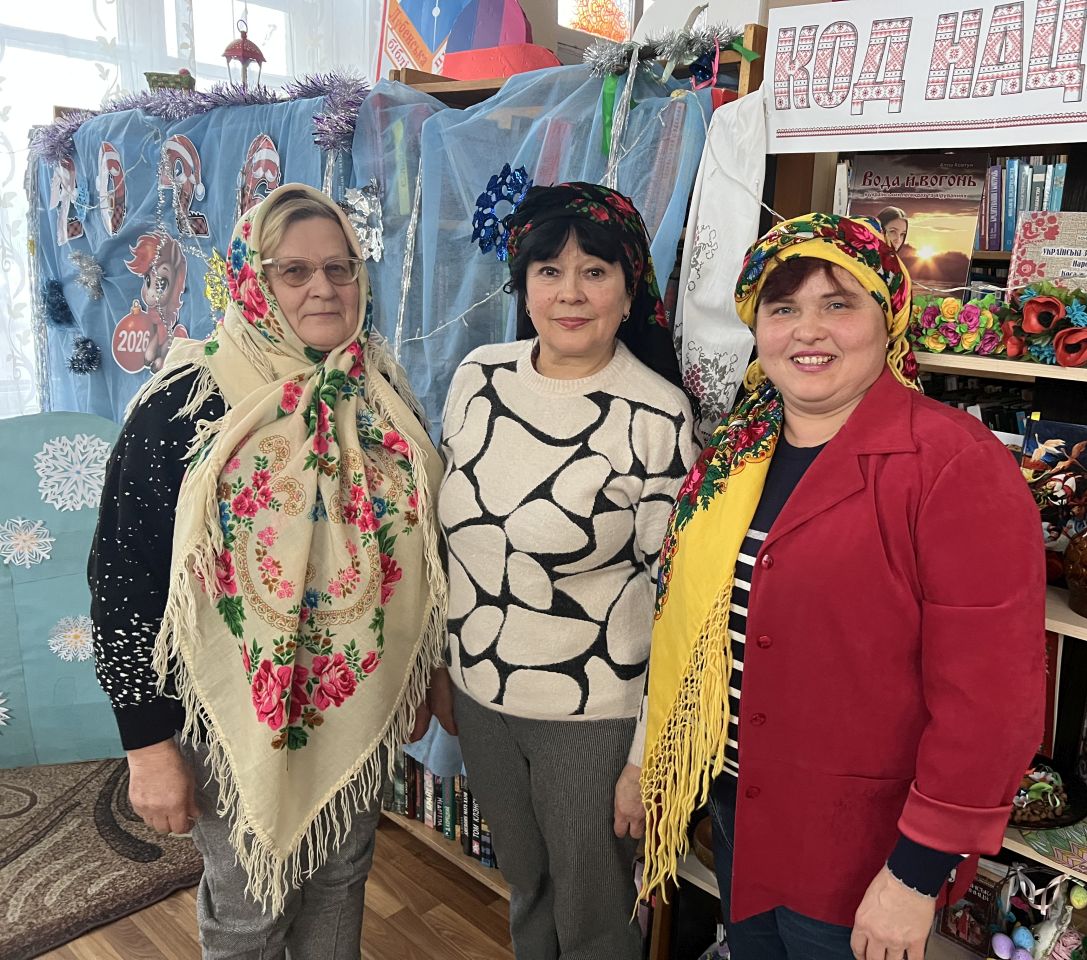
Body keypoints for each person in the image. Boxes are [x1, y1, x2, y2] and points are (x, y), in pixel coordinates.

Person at [639, 213, 1045, 960]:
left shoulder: (953, 463)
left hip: (862, 853)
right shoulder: (736, 457)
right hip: (742, 817)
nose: (807, 331)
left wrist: (916, 873)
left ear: (888, 317)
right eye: (782, 307)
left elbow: (993, 704)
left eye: (838, 303)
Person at [89, 183, 448, 960]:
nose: (323, 287)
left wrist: (422, 674)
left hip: (353, 695)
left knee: (343, 876)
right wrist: (146, 744)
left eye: (339, 267)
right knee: (249, 909)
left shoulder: (380, 394)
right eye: (293, 270)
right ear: (252, 280)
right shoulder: (186, 403)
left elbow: (423, 548)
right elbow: (123, 580)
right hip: (232, 714)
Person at [429, 182, 696, 960]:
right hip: (481, 698)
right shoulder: (478, 377)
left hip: (594, 718)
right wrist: (442, 667)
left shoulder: (657, 416)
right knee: (528, 889)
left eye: (594, 272)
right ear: (523, 284)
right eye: (549, 271)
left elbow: (677, 601)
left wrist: (646, 756)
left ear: (629, 289)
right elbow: (449, 547)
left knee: (594, 920)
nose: (569, 293)